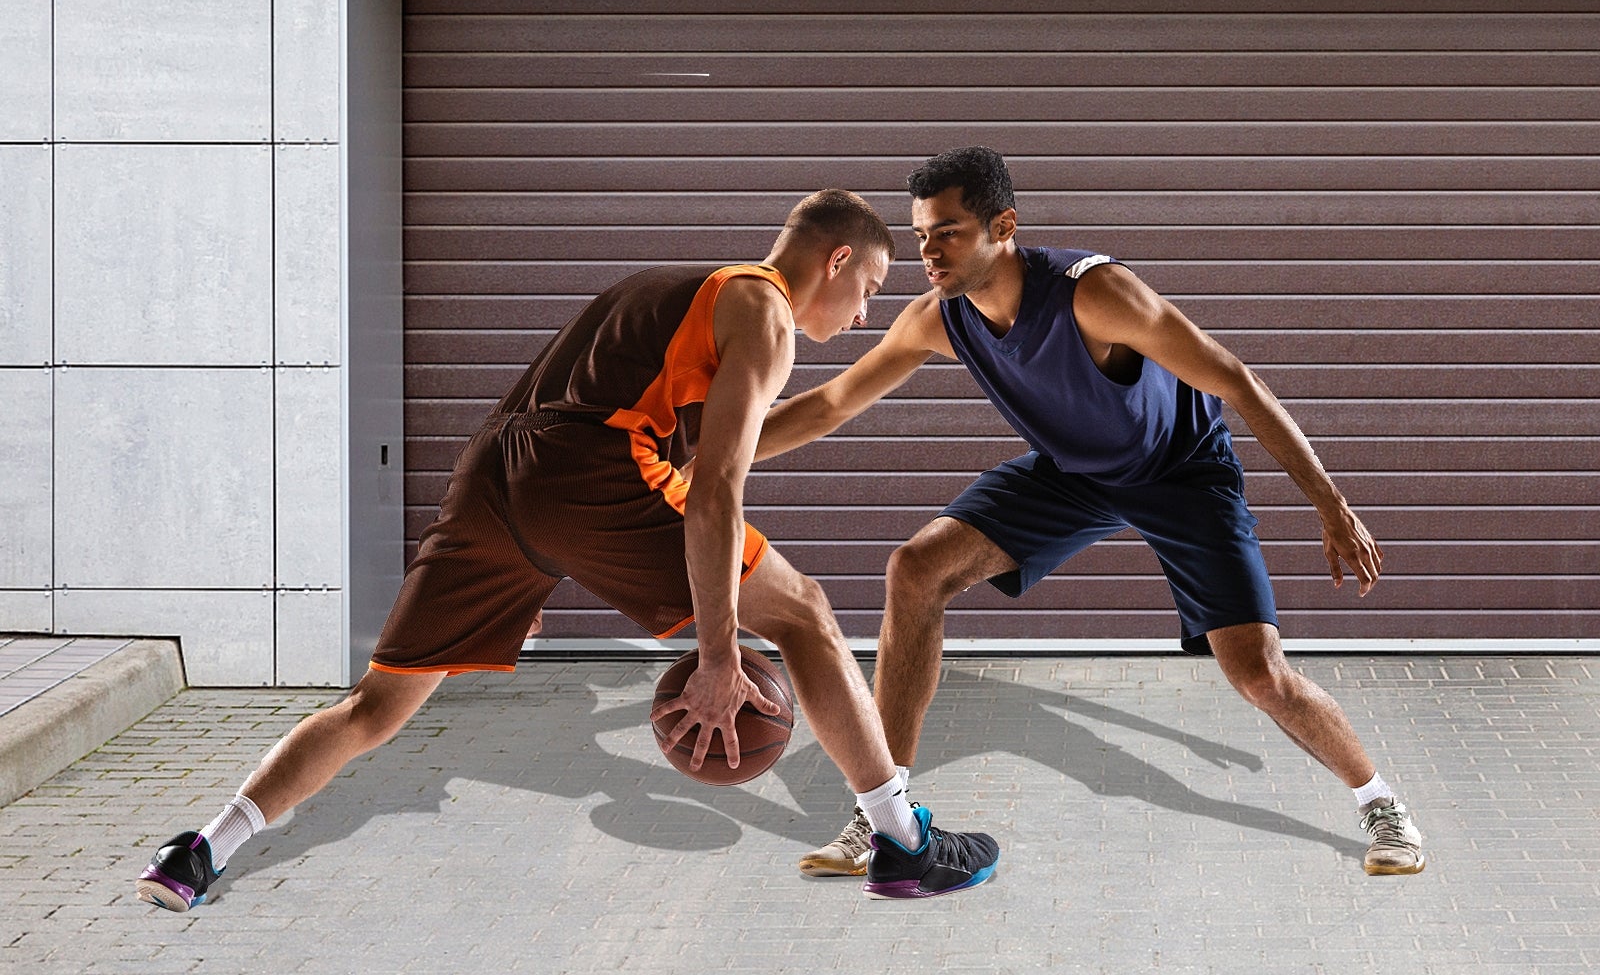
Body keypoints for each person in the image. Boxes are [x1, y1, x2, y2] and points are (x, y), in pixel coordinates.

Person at [136, 190, 999, 912]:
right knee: (805, 610)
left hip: (496, 479)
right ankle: (902, 842)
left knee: (375, 710)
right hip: (588, 472)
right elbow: (717, 490)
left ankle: (202, 850)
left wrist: (543, 547)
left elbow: (720, 443)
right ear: (836, 260)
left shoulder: (685, 295)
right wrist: (718, 651)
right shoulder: (763, 311)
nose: (865, 316)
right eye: (872, 292)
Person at [756, 150, 1425, 881]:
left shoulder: (1097, 294)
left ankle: (1381, 803)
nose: (928, 252)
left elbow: (1238, 379)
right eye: (920, 236)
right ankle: (881, 812)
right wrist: (709, 459)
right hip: (1075, 475)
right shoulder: (939, 320)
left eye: (946, 233)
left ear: (1002, 226)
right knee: (916, 568)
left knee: (1260, 674)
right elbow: (828, 405)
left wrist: (1332, 505)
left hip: (1182, 473)